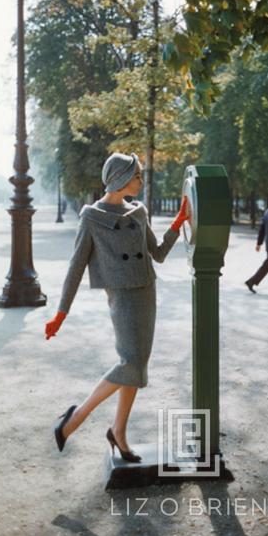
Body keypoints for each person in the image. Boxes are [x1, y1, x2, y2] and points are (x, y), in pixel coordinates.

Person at [44, 152, 189, 461]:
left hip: (146, 292)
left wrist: (178, 222)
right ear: (121, 178)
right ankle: (74, 419)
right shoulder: (92, 217)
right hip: (121, 297)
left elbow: (158, 253)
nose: (140, 181)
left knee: (137, 366)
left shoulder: (138, 212)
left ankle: (118, 431)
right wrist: (61, 313)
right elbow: (76, 267)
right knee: (129, 362)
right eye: (137, 176)